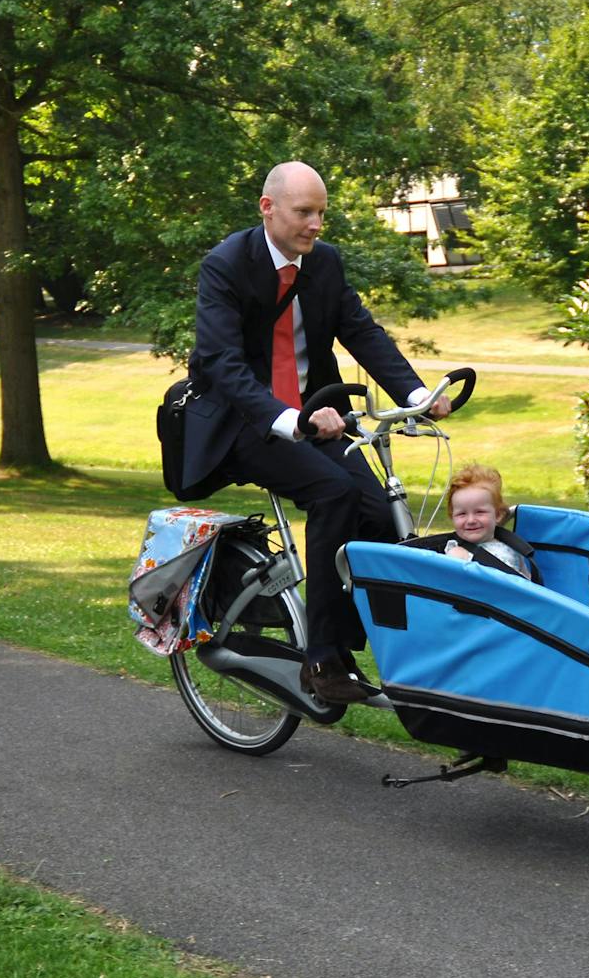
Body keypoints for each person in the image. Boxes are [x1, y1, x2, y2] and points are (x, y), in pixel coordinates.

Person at [184, 161, 450, 705]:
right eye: (305, 212)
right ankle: (323, 659)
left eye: (321, 213)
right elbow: (223, 365)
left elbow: (361, 331)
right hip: (248, 423)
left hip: (317, 416)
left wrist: (418, 397)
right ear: (268, 208)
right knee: (334, 494)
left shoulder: (323, 263)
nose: (316, 224)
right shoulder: (226, 266)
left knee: (378, 513)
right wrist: (289, 419)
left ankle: (359, 640)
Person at [440, 464, 533, 580]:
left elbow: (528, 581)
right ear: (452, 517)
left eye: (480, 512)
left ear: (498, 515)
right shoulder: (457, 554)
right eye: (462, 514)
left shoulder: (512, 546)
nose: (471, 520)